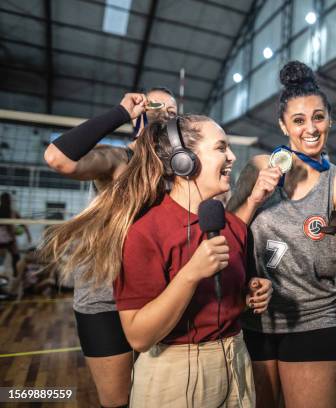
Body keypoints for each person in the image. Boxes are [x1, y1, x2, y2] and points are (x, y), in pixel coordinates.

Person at [42, 114, 272, 407]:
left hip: (237, 364)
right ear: (183, 161)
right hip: (174, 374)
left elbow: (231, 301)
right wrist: (190, 274)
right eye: (221, 147)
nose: (233, 156)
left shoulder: (235, 226)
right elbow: (139, 337)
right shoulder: (145, 233)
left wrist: (253, 292)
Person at [228, 60, 336, 408]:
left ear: (330, 119)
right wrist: (254, 199)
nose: (310, 128)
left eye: (318, 117)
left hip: (312, 320)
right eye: (298, 120)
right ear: (283, 125)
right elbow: (228, 234)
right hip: (253, 322)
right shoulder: (258, 168)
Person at [41, 87, 177, 407]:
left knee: (157, 397)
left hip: (155, 300)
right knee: (118, 401)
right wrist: (119, 113)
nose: (165, 116)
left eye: (173, 113)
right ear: (141, 112)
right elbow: (56, 158)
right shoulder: (119, 159)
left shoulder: (176, 174)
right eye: (157, 107)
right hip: (105, 299)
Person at [0, 192, 32, 277]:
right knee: (15, 256)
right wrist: (28, 235)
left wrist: (28, 235)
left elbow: (22, 223)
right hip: (9, 239)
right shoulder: (12, 212)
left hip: (8, 239)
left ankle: (15, 274)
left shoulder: (12, 212)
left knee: (15, 256)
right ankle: (15, 274)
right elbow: (23, 224)